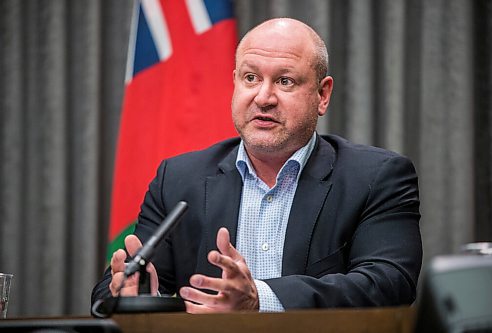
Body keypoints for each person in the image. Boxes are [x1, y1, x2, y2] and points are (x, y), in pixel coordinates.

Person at [91, 18, 422, 313]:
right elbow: (111, 290)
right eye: (251, 78)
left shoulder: (376, 177)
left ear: (322, 95)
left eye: (285, 81)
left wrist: (260, 299)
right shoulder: (177, 180)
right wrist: (137, 293)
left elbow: (389, 283)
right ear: (234, 83)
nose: (264, 97)